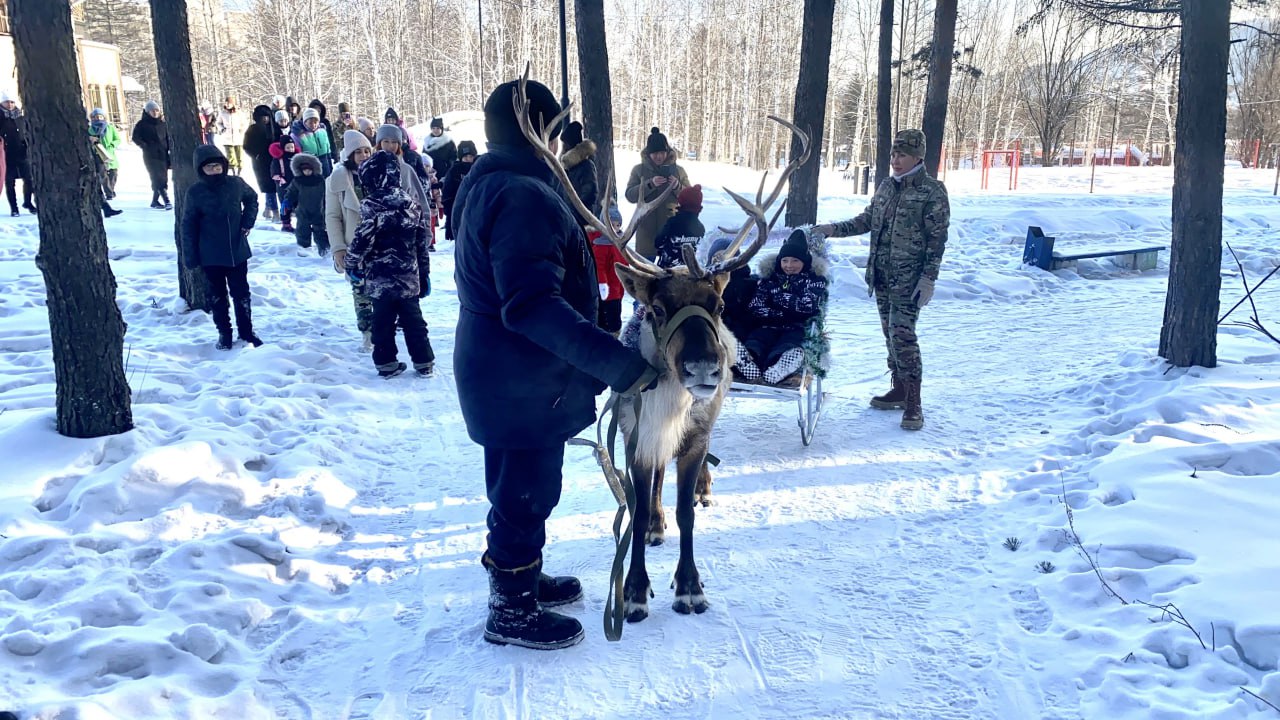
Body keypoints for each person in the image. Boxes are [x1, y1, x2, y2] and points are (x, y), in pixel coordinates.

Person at [453, 78, 658, 651]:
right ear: (537, 131)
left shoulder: (496, 180)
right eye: (553, 128)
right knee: (524, 491)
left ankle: (519, 577)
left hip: (507, 370)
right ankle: (511, 611)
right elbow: (532, 306)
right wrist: (619, 366)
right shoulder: (522, 197)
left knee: (523, 485)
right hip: (520, 375)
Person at [813, 128, 949, 431]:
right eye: (893, 154)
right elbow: (867, 220)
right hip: (883, 276)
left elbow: (937, 240)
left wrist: (929, 278)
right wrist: (832, 229)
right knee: (890, 335)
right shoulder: (888, 186)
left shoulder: (931, 191)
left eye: (901, 154)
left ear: (917, 156)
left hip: (910, 280)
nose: (895, 160)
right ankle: (899, 388)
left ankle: (914, 403)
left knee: (903, 336)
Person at [344, 150, 434, 378]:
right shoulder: (411, 204)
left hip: (380, 278)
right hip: (408, 278)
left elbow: (362, 239)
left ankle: (386, 362)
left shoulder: (371, 206)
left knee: (382, 322)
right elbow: (422, 242)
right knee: (414, 321)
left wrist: (352, 264)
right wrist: (424, 273)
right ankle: (424, 361)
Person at [181, 145, 262, 350]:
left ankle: (246, 331)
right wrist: (190, 257)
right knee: (217, 297)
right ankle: (224, 333)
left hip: (237, 250)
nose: (214, 171)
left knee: (241, 293)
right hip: (210, 254)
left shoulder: (235, 184)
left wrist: (247, 222)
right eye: (209, 168)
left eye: (217, 166)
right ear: (201, 170)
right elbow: (188, 225)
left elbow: (252, 199)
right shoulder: (195, 192)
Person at [736, 229, 828, 385]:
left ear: (804, 262)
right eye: (785, 260)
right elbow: (756, 306)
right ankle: (748, 360)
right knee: (757, 340)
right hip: (767, 325)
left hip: (796, 327)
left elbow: (807, 305)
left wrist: (777, 297)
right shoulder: (770, 278)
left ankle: (779, 366)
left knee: (788, 344)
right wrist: (784, 312)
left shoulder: (814, 280)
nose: (789, 265)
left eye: (795, 261)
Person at [326, 129, 376, 350]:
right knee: (361, 292)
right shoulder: (337, 180)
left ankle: (384, 328)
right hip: (354, 245)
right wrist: (338, 248)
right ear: (349, 156)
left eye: (367, 150)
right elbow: (333, 216)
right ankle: (367, 332)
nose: (364, 155)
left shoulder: (380, 174)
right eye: (358, 152)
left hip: (381, 244)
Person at [625, 127, 689, 260]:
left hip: (671, 235)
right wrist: (650, 184)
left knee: (670, 278)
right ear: (648, 154)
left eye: (662, 152)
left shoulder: (679, 171)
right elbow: (630, 195)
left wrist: (677, 186)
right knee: (644, 277)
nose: (659, 156)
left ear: (667, 152)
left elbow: (691, 198)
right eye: (655, 153)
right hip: (646, 235)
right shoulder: (638, 170)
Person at [374, 124, 431, 216]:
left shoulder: (407, 169)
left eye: (394, 142)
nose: (390, 146)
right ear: (379, 143)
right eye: (386, 141)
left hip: (405, 223)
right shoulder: (370, 168)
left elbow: (421, 199)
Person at [591, 204, 626, 336]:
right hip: (608, 292)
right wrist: (602, 284)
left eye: (618, 225)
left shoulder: (620, 242)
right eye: (612, 225)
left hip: (617, 290)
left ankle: (613, 339)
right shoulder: (601, 245)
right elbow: (599, 267)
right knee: (608, 321)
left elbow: (624, 265)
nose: (615, 228)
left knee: (615, 319)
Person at [284, 153, 329, 255]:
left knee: (320, 230)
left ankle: (323, 248)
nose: (307, 172)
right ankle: (304, 248)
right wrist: (287, 200)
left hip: (319, 210)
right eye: (305, 170)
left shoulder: (320, 180)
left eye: (309, 169)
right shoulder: (297, 181)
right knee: (302, 229)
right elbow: (291, 192)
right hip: (303, 210)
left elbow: (327, 193)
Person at [653, 184, 705, 269]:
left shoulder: (673, 222)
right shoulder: (701, 228)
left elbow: (658, 242)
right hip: (688, 272)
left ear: (682, 202)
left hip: (667, 272)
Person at [132, 100, 172, 209]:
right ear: (147, 112)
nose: (154, 113)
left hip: (163, 155)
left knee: (163, 179)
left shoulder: (163, 124)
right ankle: (167, 201)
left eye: (156, 110)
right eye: (152, 111)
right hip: (150, 156)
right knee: (157, 178)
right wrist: (145, 145)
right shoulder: (142, 124)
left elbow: (168, 138)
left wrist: (169, 149)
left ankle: (154, 201)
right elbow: (135, 137)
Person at [243, 104, 280, 220]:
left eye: (267, 116)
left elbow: (281, 141)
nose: (265, 119)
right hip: (261, 162)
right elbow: (247, 146)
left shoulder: (275, 128)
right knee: (268, 186)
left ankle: (268, 208)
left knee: (276, 185)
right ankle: (274, 211)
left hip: (275, 159)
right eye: (262, 117)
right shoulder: (253, 129)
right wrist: (256, 155)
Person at [0, 91, 34, 216]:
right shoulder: (1, 117)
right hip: (6, 153)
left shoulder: (20, 117)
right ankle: (14, 208)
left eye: (12, 102)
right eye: (6, 102)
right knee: (10, 182)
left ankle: (28, 202)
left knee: (29, 178)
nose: (9, 105)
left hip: (22, 152)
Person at [559, 121, 598, 220]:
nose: (563, 147)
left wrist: (572, 212)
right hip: (564, 217)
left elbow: (589, 195)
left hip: (579, 220)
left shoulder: (587, 166)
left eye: (565, 144)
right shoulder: (564, 166)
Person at [441, 140, 477, 241]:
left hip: (476, 211)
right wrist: (449, 218)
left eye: (471, 157)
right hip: (459, 210)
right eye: (465, 157)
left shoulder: (479, 169)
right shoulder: (454, 171)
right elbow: (447, 194)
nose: (468, 160)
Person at [87, 108, 122, 200]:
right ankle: (109, 193)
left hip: (110, 154)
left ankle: (111, 189)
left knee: (114, 173)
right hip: (98, 154)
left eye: (100, 116)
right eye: (96, 117)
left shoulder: (110, 128)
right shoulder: (90, 129)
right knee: (103, 175)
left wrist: (112, 145)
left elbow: (117, 139)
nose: (98, 118)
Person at [292, 108, 334, 176]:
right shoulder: (298, 135)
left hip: (324, 162)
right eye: (310, 122)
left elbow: (328, 149)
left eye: (315, 122)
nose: (313, 125)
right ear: (305, 122)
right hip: (309, 164)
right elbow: (297, 155)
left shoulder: (322, 131)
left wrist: (330, 166)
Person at [269, 135, 298, 232]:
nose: (290, 149)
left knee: (298, 205)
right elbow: (274, 172)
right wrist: (280, 179)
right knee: (285, 206)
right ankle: (286, 224)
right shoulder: (278, 159)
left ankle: (302, 223)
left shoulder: (297, 158)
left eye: (292, 147)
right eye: (288, 147)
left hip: (296, 186)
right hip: (284, 186)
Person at [217, 96, 248, 176]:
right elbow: (218, 122)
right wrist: (222, 129)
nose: (227, 105)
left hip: (238, 138)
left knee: (239, 156)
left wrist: (242, 130)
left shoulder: (239, 113)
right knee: (230, 156)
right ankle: (233, 170)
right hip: (227, 138)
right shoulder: (223, 113)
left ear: (232, 104)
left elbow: (244, 123)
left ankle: (240, 170)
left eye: (229, 103)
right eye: (226, 103)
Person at [307, 99, 340, 172]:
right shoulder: (305, 123)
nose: (317, 112)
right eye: (315, 109)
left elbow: (330, 139)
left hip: (325, 153)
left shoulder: (325, 122)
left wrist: (334, 155)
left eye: (319, 110)